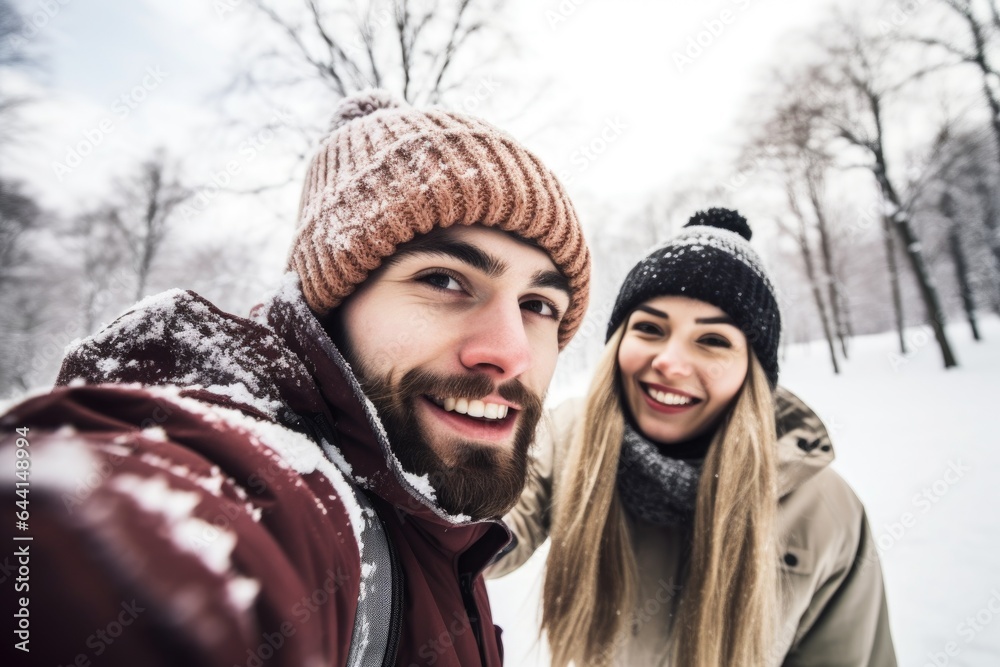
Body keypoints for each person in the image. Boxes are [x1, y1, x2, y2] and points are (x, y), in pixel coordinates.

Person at [0, 90, 590, 667]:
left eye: (539, 305)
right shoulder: (285, 486)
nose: (510, 352)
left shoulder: (435, 518)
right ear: (329, 308)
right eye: (443, 280)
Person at [488, 208, 897, 666]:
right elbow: (480, 540)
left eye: (713, 340)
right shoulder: (567, 436)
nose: (671, 362)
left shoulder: (824, 509)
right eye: (649, 328)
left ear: (752, 371)